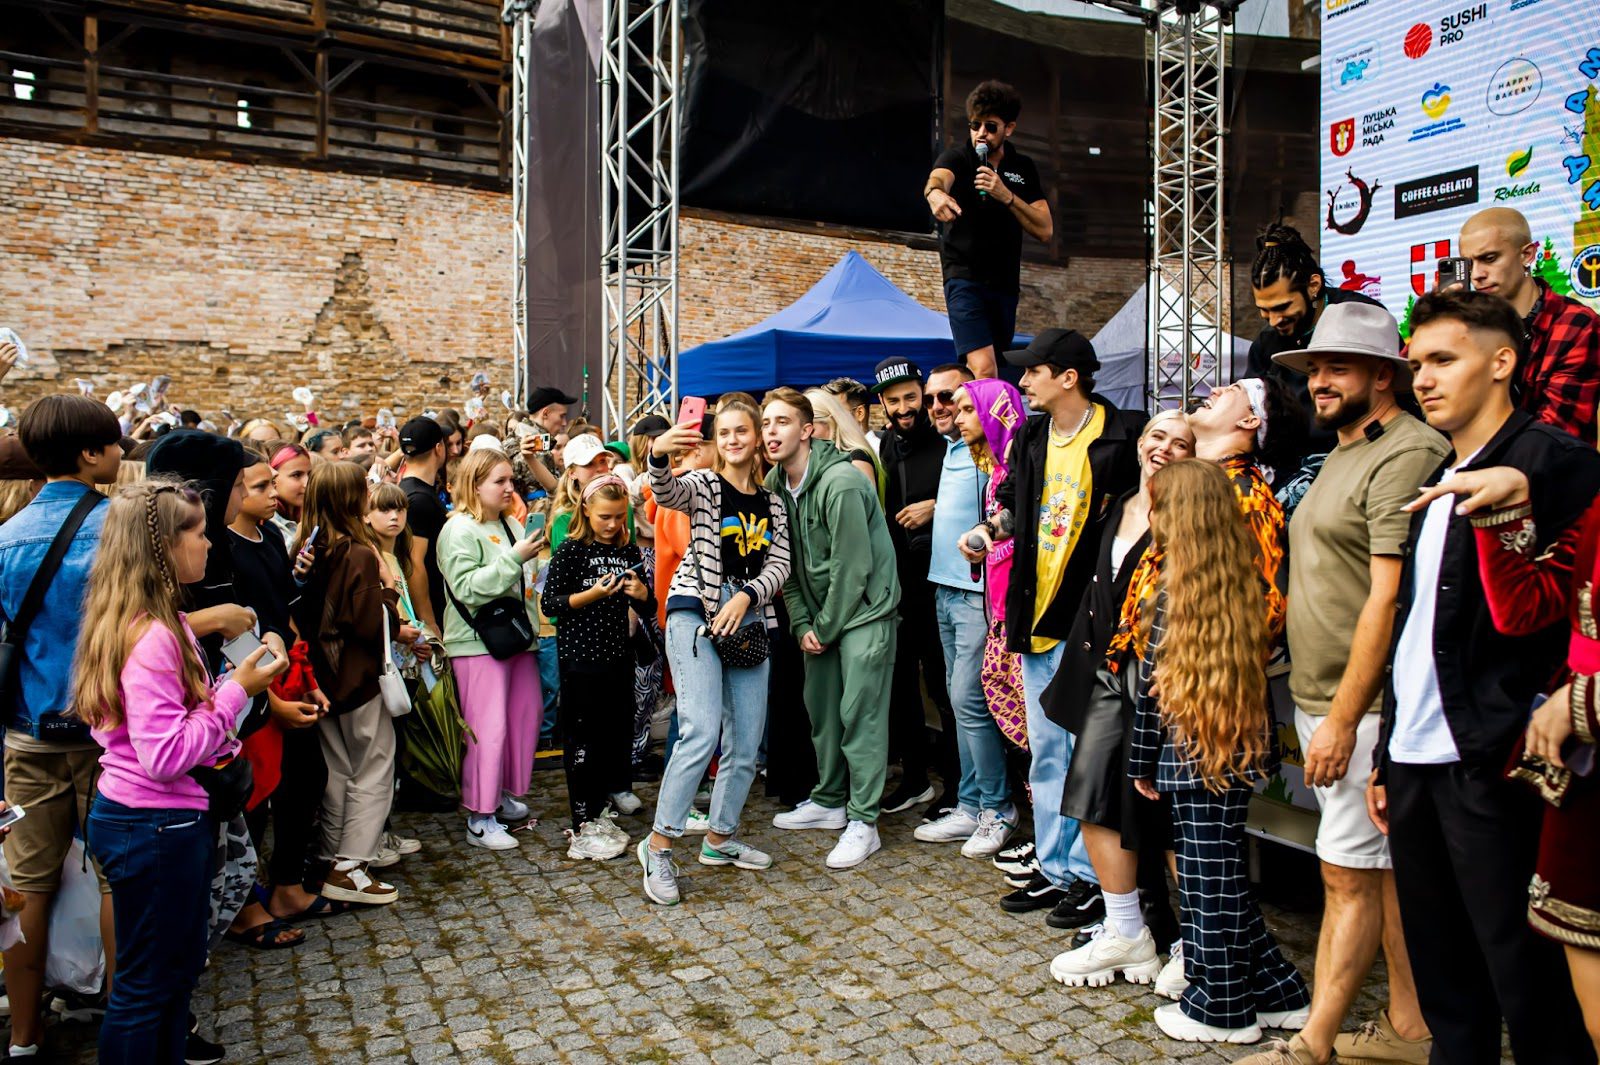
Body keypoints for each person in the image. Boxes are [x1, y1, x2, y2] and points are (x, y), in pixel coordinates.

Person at [1369, 288, 1599, 1065]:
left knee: (1530, 984)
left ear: (1502, 362)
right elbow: (1414, 629)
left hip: (1495, 761)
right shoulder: (1441, 471)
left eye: (1443, 359)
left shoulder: (1555, 461)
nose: (1424, 379)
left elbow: (1567, 612)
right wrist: (1388, 753)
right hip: (1418, 760)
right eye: (1416, 364)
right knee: (1448, 982)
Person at [1237, 303, 1446, 1065]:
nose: (1320, 382)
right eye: (1314, 369)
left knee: (1347, 876)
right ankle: (1410, 1028)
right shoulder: (1340, 451)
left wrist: (1346, 719)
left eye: (1339, 367)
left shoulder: (1410, 450)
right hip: (1327, 698)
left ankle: (1311, 1044)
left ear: (1384, 375)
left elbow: (1388, 600)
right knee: (1379, 877)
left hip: (1369, 710)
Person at [72, 480, 288, 1065]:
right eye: (197, 533)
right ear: (163, 547)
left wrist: (235, 676)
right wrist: (239, 691)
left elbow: (171, 719)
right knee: (147, 988)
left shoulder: (147, 621)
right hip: (154, 823)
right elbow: (166, 754)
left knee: (170, 979)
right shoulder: (153, 637)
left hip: (153, 819)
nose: (209, 544)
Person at [960, 328, 1142, 932]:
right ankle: (1058, 866)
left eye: (1033, 371)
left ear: (1068, 377)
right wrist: (987, 532)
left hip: (1088, 620)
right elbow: (1012, 505)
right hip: (1033, 613)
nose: (1023, 381)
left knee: (1086, 757)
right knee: (1046, 753)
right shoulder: (1033, 435)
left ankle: (1093, 878)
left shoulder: (1122, 436)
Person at [1126, 459, 1311, 1044]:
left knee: (1207, 885)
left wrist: (1139, 762)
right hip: (1233, 749)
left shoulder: (1174, 588)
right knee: (1222, 873)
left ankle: (1222, 1005)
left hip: (1188, 755)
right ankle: (1279, 990)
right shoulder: (1243, 580)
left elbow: (1153, 689)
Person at [1428, 471, 1600, 1060]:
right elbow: (1523, 609)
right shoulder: (1595, 511)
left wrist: (1582, 701)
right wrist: (1508, 510)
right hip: (1583, 777)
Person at [1042, 409, 1192, 991]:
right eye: (1158, 436)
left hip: (1159, 679)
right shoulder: (1121, 501)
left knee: (1167, 812)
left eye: (1181, 443)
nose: (1165, 449)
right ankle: (1127, 930)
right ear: (1140, 443)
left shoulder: (1191, 514)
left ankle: (1194, 943)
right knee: (1090, 796)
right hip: (1105, 674)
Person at [0, 395, 121, 1059]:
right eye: (113, 443)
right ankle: (125, 1021)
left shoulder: (7, 534)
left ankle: (24, 1032)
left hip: (28, 731)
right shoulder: (120, 528)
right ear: (89, 452)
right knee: (115, 875)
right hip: (107, 730)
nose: (120, 452)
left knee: (30, 883)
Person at [637, 399, 793, 905]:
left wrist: (747, 596)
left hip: (748, 618)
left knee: (745, 743)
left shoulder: (773, 503)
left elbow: (781, 564)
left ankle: (720, 839)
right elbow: (665, 491)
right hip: (696, 613)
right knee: (701, 731)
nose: (732, 440)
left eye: (741, 430)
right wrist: (659, 454)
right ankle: (658, 847)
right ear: (716, 441)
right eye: (723, 432)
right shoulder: (704, 485)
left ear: (756, 437)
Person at [764, 388, 901, 870]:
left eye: (782, 422)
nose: (771, 432)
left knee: (859, 715)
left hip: (864, 611)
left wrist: (822, 626)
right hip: (819, 619)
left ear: (807, 430)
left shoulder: (841, 482)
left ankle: (864, 822)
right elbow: (784, 562)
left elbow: (852, 567)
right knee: (822, 714)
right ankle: (829, 800)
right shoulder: (774, 484)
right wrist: (803, 622)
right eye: (766, 423)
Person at [290, 463, 404, 906]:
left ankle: (328, 855)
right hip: (355, 676)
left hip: (317, 676)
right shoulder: (356, 553)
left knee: (336, 770)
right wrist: (390, 592)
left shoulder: (305, 546)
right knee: (373, 766)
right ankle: (351, 863)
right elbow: (368, 622)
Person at [914, 364, 1017, 859]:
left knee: (970, 701)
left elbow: (1007, 510)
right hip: (945, 590)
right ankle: (972, 803)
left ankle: (998, 808)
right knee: (961, 705)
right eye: (934, 399)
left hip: (976, 595)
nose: (944, 408)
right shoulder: (955, 446)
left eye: (954, 399)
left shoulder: (994, 455)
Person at [225, 450, 325, 945]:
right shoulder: (222, 548)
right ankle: (244, 907)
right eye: (260, 486)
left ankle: (287, 886)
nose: (272, 494)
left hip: (285, 671)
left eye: (271, 484)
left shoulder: (268, 536)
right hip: (250, 685)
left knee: (307, 778)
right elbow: (231, 635)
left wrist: (304, 677)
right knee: (254, 797)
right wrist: (271, 701)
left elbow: (284, 612)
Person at [437, 448, 544, 852]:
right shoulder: (459, 529)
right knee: (488, 727)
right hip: (477, 642)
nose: (509, 487)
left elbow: (522, 580)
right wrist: (515, 559)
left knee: (523, 718)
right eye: (499, 481)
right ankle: (479, 816)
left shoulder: (510, 523)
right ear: (475, 485)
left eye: (510, 480)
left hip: (517, 638)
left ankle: (498, 794)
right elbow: (467, 587)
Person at [541, 476, 653, 861]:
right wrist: (592, 594)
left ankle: (600, 812)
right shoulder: (571, 550)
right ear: (586, 510)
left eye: (619, 516)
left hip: (617, 657)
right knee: (582, 741)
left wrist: (641, 594)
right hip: (580, 661)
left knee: (611, 737)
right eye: (605, 516)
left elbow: (648, 607)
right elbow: (550, 604)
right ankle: (583, 822)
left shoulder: (627, 550)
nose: (612, 524)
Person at [923, 80, 1051, 379]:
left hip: (1004, 283)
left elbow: (1045, 229)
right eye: (975, 124)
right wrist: (935, 194)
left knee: (995, 372)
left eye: (991, 127)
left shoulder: (1022, 167)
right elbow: (938, 179)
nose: (981, 133)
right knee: (984, 367)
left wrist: (1006, 195)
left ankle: (965, 406)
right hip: (964, 278)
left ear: (1009, 128)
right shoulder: (958, 157)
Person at [872, 357, 955, 815]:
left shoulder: (948, 439)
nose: (904, 407)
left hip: (942, 583)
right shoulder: (883, 445)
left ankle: (958, 788)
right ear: (882, 403)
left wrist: (935, 507)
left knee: (945, 687)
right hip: (898, 587)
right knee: (901, 685)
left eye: (911, 397)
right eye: (894, 400)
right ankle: (916, 779)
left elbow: (982, 494)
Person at [1244, 223, 1382, 483]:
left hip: (1358, 462)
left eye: (1283, 307)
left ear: (1313, 285)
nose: (1274, 320)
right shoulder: (1266, 344)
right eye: (1264, 310)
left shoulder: (1360, 316)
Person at [1457, 205, 1600, 445]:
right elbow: (1404, 385)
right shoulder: (1466, 326)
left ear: (1527, 255)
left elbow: (1555, 436)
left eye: (1489, 259)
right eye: (1469, 265)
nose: (1477, 275)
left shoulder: (1576, 324)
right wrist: (1439, 323)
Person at [952, 379, 1030, 757]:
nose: (958, 419)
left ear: (994, 413)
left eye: (969, 410)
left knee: (1031, 717)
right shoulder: (996, 470)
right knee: (1004, 700)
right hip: (999, 610)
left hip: (1021, 613)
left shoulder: (1022, 464)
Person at [398, 416, 449, 638]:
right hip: (431, 610)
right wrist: (429, 621)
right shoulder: (419, 499)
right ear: (438, 448)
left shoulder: (410, 491)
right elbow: (414, 563)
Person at [805, 388, 884, 503]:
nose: (804, 435)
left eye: (811, 429)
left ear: (830, 422)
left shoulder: (856, 460)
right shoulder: (825, 458)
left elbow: (861, 510)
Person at [268, 442, 311, 548]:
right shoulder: (265, 525)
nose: (307, 483)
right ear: (271, 477)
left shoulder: (314, 515)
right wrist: (297, 542)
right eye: (296, 475)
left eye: (310, 474)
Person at [822, 377, 878, 454]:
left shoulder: (878, 451)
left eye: (836, 412)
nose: (830, 420)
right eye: (827, 413)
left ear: (860, 413)